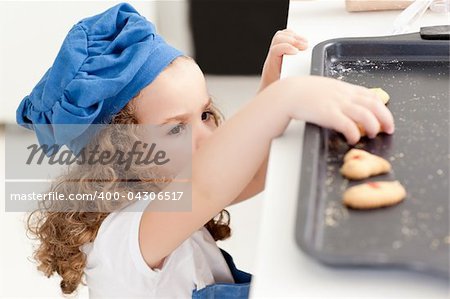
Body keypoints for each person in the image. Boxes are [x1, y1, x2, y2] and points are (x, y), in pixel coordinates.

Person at [17, 3, 394, 298]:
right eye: (176, 128)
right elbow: (209, 187)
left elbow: (245, 174)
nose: (208, 137)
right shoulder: (123, 241)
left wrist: (268, 88)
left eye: (206, 114)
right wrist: (280, 100)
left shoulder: (163, 185)